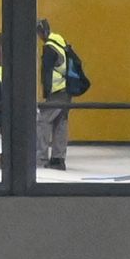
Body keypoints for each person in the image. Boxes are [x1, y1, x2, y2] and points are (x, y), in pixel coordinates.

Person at [32, 16, 87, 170]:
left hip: (57, 91)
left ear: (40, 32)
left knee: (43, 121)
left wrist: (46, 92)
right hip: (67, 89)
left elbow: (47, 72)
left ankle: (40, 158)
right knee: (60, 123)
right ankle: (58, 159)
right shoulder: (60, 42)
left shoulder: (49, 46)